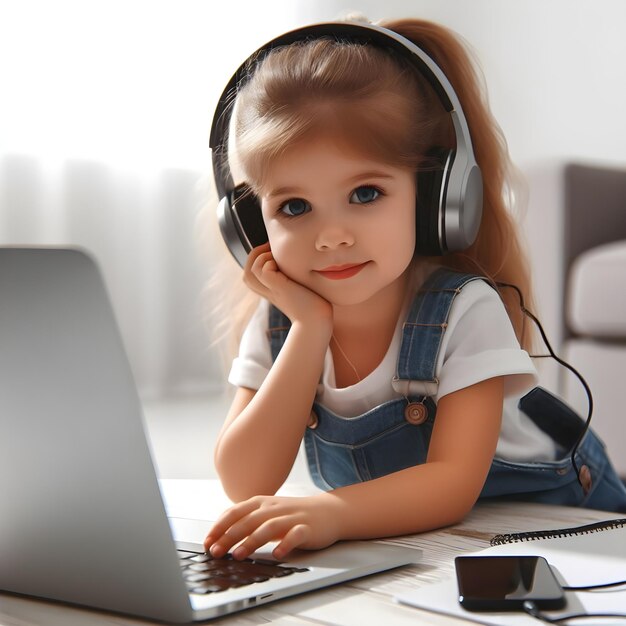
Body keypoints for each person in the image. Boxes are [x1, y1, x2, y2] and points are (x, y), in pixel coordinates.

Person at [203, 16, 626, 562]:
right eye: (294, 207)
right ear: (251, 227)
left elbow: (451, 484)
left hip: (564, 517)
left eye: (365, 193)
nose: (331, 237)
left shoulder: (463, 308)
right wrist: (310, 330)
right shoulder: (283, 320)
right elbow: (244, 478)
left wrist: (335, 513)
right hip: (431, 534)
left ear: (437, 200)